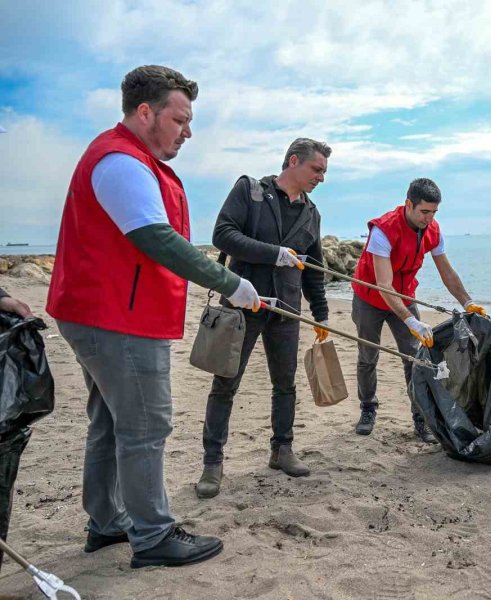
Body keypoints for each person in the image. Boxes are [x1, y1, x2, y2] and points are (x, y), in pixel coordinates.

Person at [46, 65, 261, 569]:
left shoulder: (125, 156)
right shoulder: (120, 161)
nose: (188, 131)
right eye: (180, 119)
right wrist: (232, 284)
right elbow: (155, 237)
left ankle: (106, 522)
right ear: (146, 113)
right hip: (115, 317)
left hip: (99, 311)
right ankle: (154, 536)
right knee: (146, 423)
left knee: (110, 419)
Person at [195, 138, 331, 499]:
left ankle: (282, 449)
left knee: (285, 384)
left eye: (324, 172)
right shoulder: (250, 190)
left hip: (286, 311)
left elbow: (314, 270)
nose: (321, 177)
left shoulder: (311, 213)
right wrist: (276, 255)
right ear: (293, 161)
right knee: (225, 384)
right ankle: (212, 462)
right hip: (242, 306)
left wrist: (321, 315)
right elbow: (223, 235)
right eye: (317, 169)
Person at [350, 178, 486, 441]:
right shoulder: (383, 230)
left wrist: (467, 302)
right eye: (424, 212)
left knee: (416, 358)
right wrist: (410, 321)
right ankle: (368, 408)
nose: (429, 218)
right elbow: (384, 284)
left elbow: (446, 272)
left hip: (405, 294)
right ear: (408, 204)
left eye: (434, 213)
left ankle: (421, 418)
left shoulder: (433, 230)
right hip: (370, 297)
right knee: (368, 355)